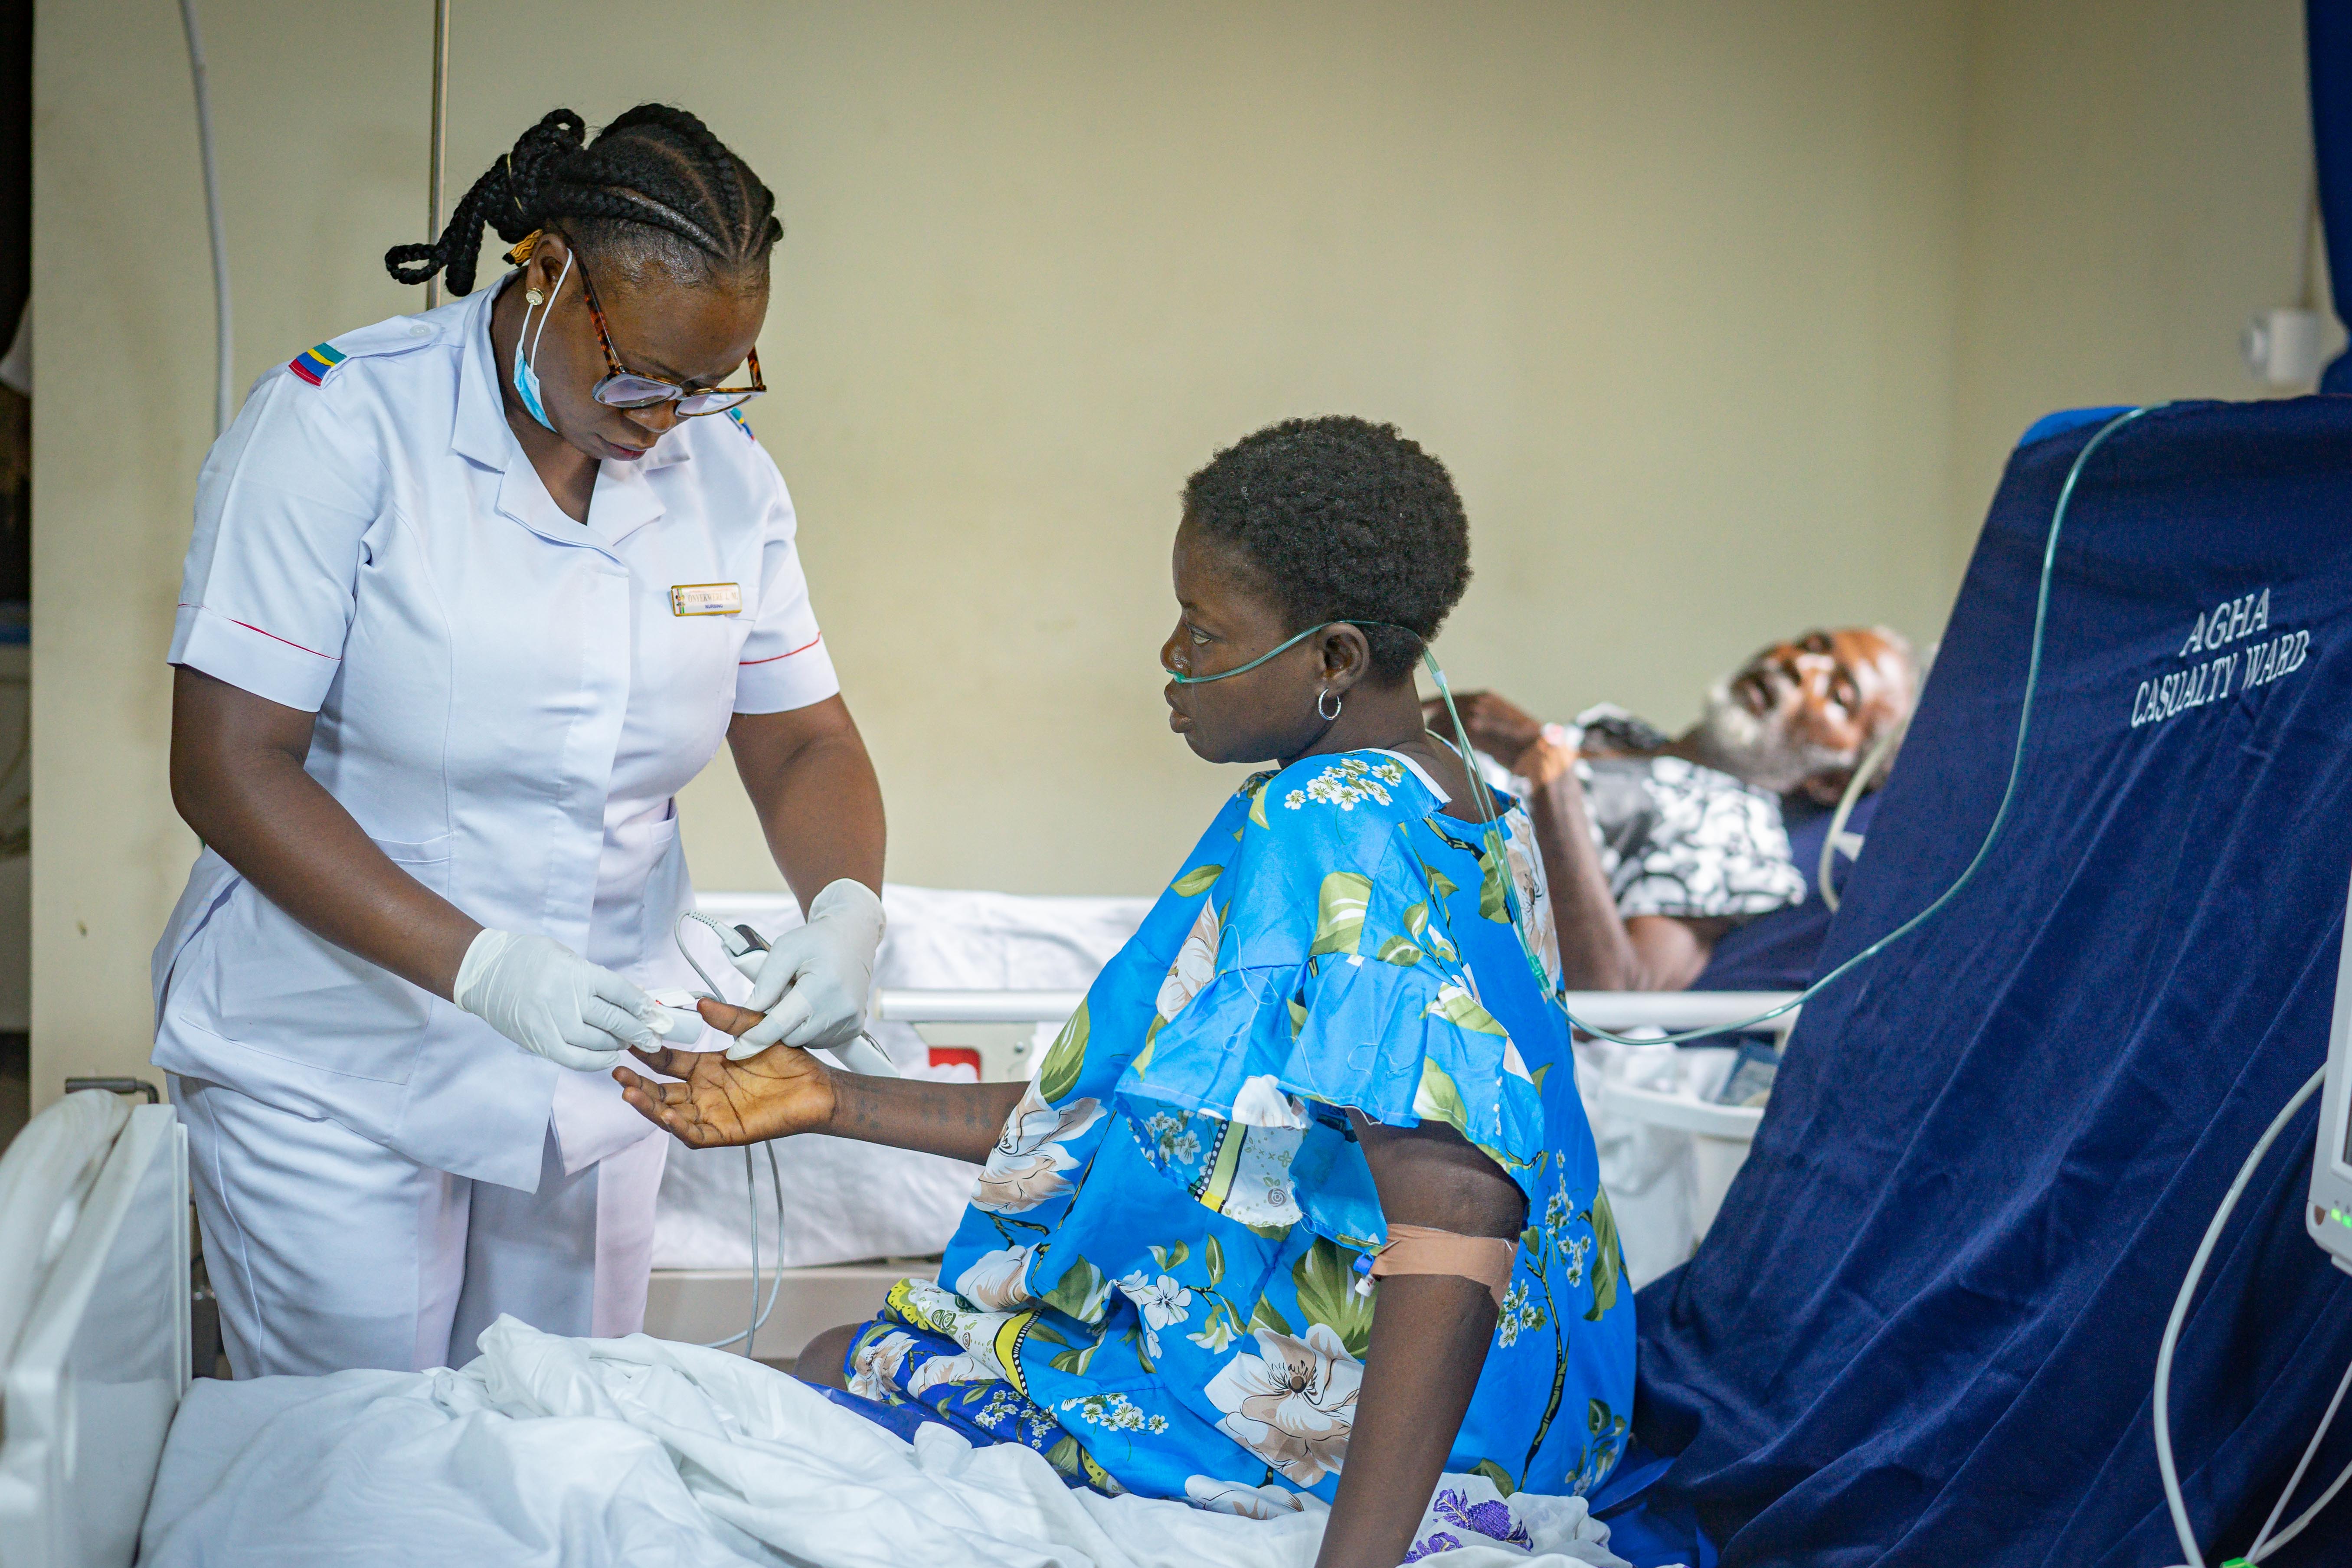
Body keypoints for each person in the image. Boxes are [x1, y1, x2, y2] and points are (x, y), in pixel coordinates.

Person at [618, 418, 1634, 1566]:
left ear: (1333, 658)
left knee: (848, 1366)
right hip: (1544, 1395)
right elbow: (1146, 1110)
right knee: (855, 1352)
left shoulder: (1324, 817)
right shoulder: (1455, 792)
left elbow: (1454, 1204)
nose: (1169, 652)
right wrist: (823, 1094)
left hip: (1405, 1418)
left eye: (1203, 628)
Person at [153, 106, 888, 1378]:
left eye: (711, 385)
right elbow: (228, 761)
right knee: (360, 1460)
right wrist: (485, 967)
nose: (667, 416)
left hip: (597, 1065)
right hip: (339, 1053)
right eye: (640, 373)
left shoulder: (728, 478)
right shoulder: (341, 425)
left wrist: (845, 911)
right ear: (542, 273)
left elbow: (802, 738)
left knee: (558, 1440)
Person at [1436, 627, 1919, 993]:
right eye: (1810, 644)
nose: (1799, 665)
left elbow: (1616, 997)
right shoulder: (1622, 735)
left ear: (1830, 781)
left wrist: (1549, 771)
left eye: (1838, 695)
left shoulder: (1739, 833)